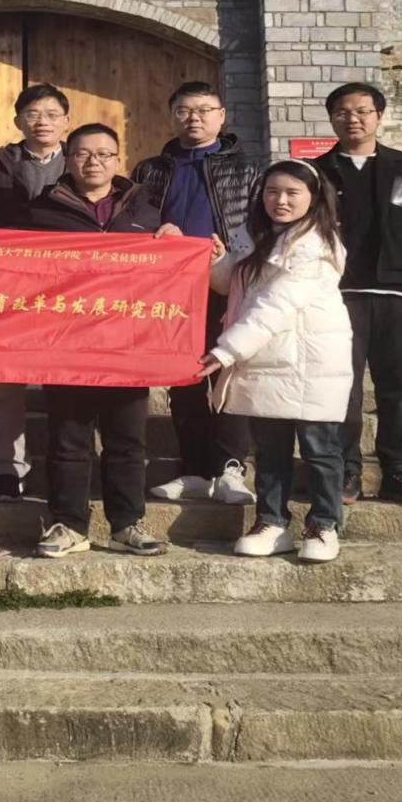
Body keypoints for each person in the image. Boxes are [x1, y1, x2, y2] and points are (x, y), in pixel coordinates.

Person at [26, 123, 182, 559]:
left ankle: (126, 524)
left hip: (127, 344)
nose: (93, 162)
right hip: (65, 343)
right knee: (68, 438)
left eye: (103, 154)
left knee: (127, 439)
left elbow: (167, 269)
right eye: (82, 154)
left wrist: (173, 242)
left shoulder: (145, 209)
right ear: (68, 158)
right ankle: (68, 524)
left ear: (118, 160)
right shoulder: (41, 211)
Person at [199, 160, 352, 563]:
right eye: (272, 191)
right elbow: (229, 285)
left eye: (291, 193)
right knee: (270, 450)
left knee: (319, 449)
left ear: (313, 198)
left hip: (312, 360)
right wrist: (217, 260)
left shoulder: (317, 245)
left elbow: (275, 305)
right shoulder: (253, 235)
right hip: (265, 358)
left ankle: (324, 525)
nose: (280, 200)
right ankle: (271, 522)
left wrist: (225, 350)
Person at [314, 83, 402, 506]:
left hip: (400, 293)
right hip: (338, 295)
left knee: (398, 385)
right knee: (343, 386)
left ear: (378, 115)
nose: (352, 119)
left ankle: (399, 472)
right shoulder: (317, 172)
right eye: (342, 112)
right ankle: (346, 471)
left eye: (362, 111)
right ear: (332, 118)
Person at [132, 81, 258, 505]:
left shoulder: (247, 169)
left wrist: (231, 252)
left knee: (227, 373)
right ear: (172, 116)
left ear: (222, 116)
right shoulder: (150, 170)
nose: (195, 118)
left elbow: (259, 225)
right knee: (184, 378)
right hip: (170, 290)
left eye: (205, 109)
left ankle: (230, 468)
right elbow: (134, 220)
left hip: (227, 283)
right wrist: (156, 231)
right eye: (185, 110)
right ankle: (194, 470)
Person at [0, 83, 71, 502]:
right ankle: (9, 470)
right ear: (18, 121)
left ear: (66, 122)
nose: (42, 121)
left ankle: (68, 466)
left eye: (51, 114)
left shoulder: (84, 162)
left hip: (70, 291)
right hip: (9, 292)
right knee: (7, 386)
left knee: (70, 384)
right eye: (33, 114)